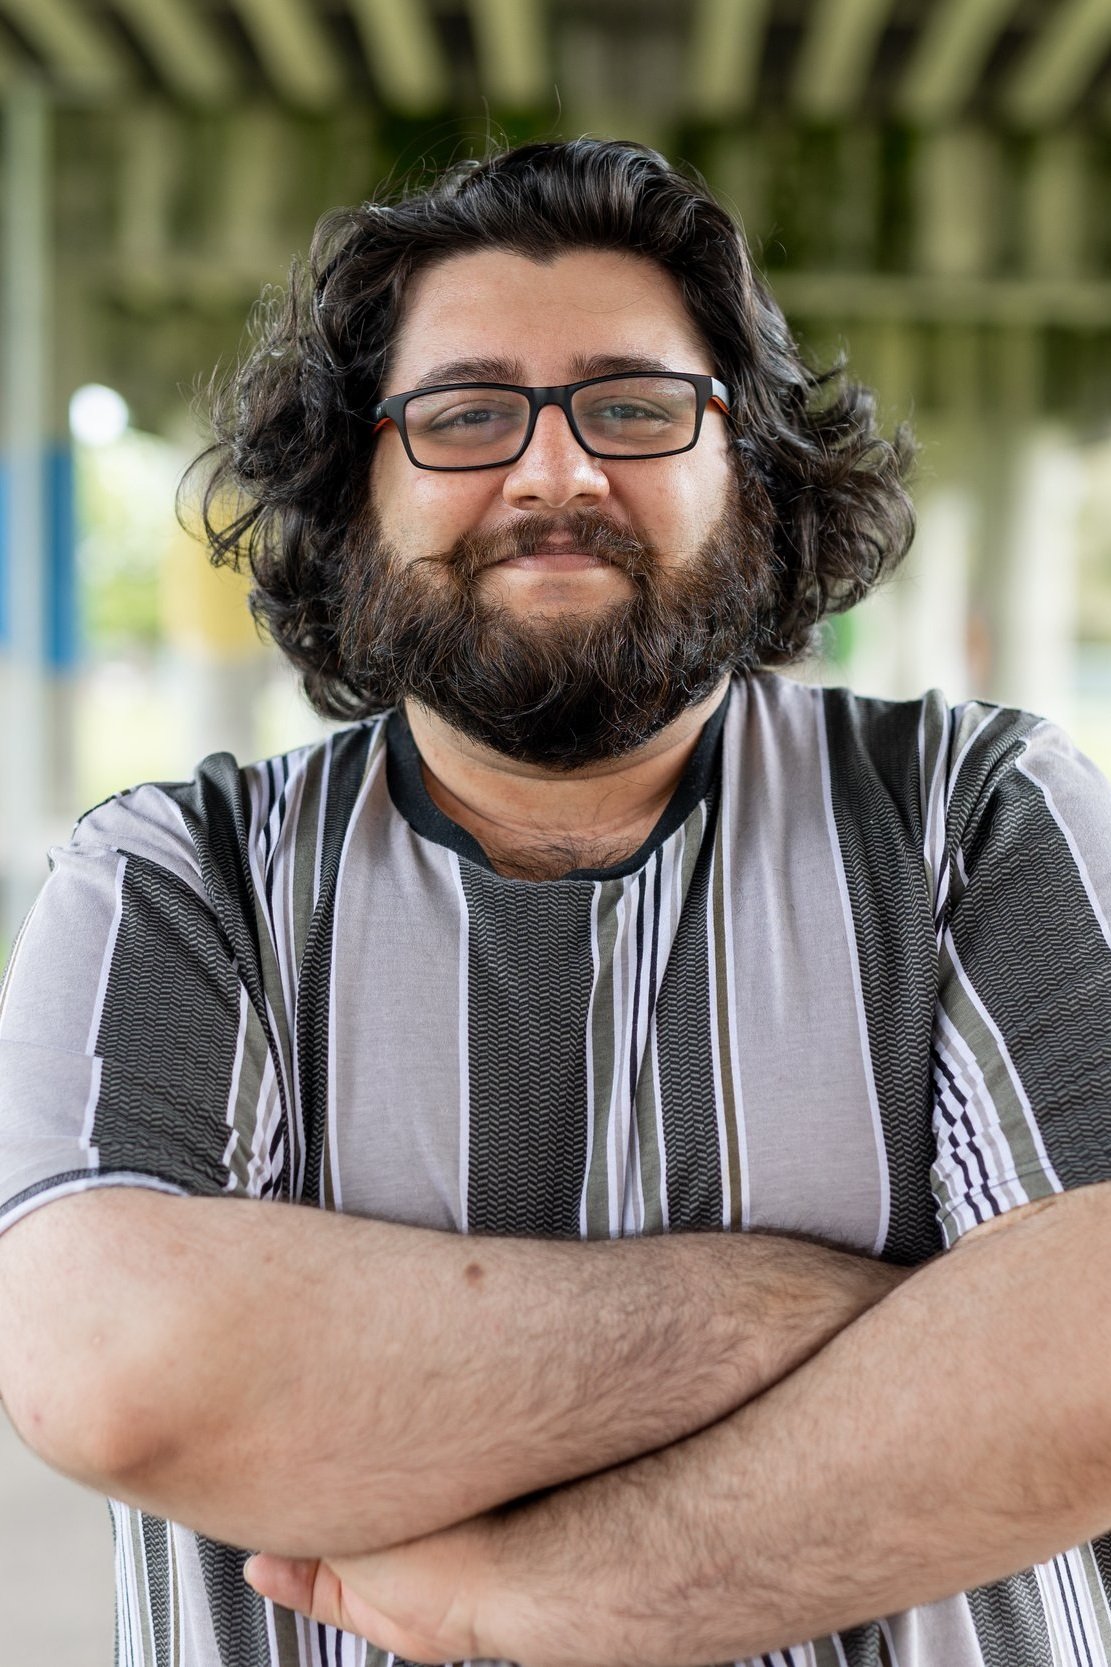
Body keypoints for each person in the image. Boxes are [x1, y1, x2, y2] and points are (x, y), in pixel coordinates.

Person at [1, 137, 1110, 1667]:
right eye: (464, 415)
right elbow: (119, 1371)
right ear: (352, 490)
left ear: (754, 470)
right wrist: (876, 1322)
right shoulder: (179, 879)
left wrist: (554, 1597)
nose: (555, 474)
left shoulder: (973, 814)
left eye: (635, 408)